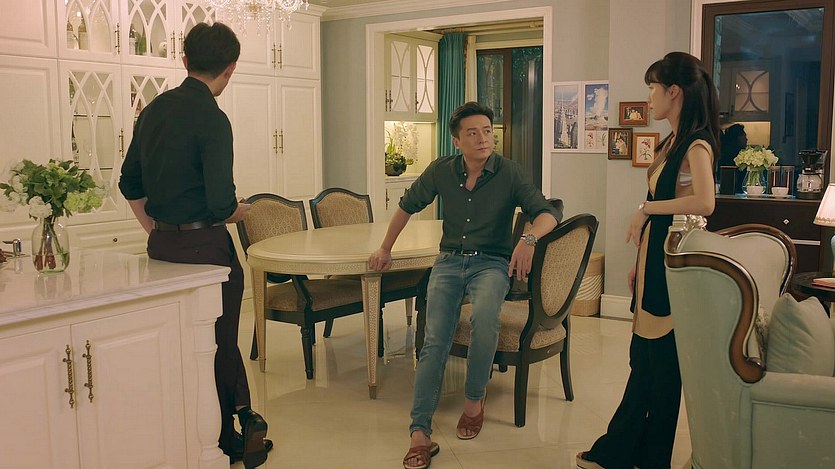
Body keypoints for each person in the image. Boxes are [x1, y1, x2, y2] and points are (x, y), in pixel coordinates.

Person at [368, 102, 560, 469]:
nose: (483, 138)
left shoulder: (509, 172)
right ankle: (419, 432)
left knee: (484, 319)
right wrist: (385, 248)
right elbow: (407, 206)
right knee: (434, 340)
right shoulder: (441, 171)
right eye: (473, 132)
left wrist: (529, 239)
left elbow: (549, 213)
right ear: (457, 141)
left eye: (487, 130)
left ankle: (474, 402)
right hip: (449, 261)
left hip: (491, 264)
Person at [119, 22, 272, 469]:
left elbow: (129, 183)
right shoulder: (212, 118)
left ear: (184, 60)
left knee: (176, 345)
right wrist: (238, 212)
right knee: (219, 342)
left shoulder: (152, 110)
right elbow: (222, 203)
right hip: (207, 247)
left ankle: (200, 428)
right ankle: (225, 436)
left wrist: (155, 229)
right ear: (230, 68)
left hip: (162, 248)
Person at [577, 51, 720, 469]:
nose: (649, 97)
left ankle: (627, 452)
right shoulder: (672, 141)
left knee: (657, 365)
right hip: (656, 261)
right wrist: (639, 263)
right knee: (646, 362)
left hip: (674, 265)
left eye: (653, 89)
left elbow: (705, 202)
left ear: (674, 92)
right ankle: (634, 452)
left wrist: (646, 209)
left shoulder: (696, 143)